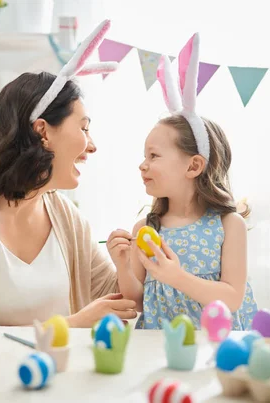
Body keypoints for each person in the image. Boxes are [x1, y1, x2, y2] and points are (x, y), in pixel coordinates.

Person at [0, 20, 137, 328]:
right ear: (43, 132)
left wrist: (132, 261)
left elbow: (116, 302)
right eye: (84, 128)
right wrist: (73, 325)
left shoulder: (67, 217)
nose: (93, 146)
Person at [106, 33, 258, 330]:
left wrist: (175, 277)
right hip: (156, 348)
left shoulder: (228, 225)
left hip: (211, 351)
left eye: (154, 155)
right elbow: (137, 301)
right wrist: (122, 264)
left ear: (194, 166)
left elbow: (232, 298)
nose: (143, 164)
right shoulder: (147, 229)